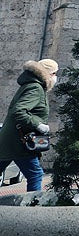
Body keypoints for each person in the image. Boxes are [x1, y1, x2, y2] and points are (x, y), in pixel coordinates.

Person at [0, 59, 59, 192]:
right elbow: (19, 111)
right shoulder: (35, 88)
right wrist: (38, 124)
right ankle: (32, 206)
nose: (56, 77)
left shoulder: (29, 85)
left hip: (9, 140)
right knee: (35, 175)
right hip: (21, 142)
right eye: (54, 73)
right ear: (48, 74)